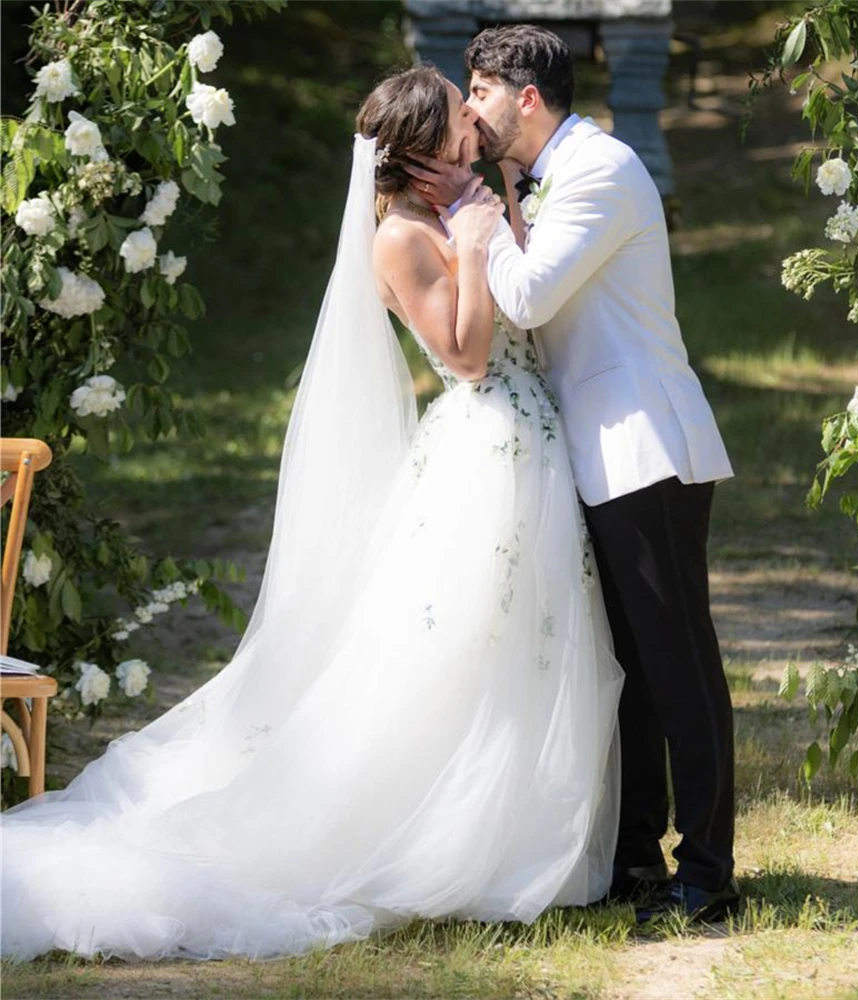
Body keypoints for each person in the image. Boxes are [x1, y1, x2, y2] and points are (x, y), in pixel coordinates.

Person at [0, 66, 624, 962]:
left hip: (531, 442)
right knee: (462, 649)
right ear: (417, 154)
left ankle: (529, 838)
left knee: (528, 642)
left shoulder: (456, 208)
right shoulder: (401, 240)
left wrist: (501, 212)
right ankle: (447, 841)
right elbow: (471, 355)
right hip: (485, 445)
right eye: (457, 119)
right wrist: (481, 239)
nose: (472, 128)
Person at [404, 24, 740, 922]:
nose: (466, 106)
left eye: (476, 90)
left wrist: (476, 210)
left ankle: (708, 874)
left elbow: (523, 296)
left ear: (524, 97)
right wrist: (497, 196)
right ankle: (634, 857)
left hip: (646, 448)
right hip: (592, 452)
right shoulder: (540, 173)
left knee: (678, 668)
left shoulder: (599, 170)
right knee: (627, 670)